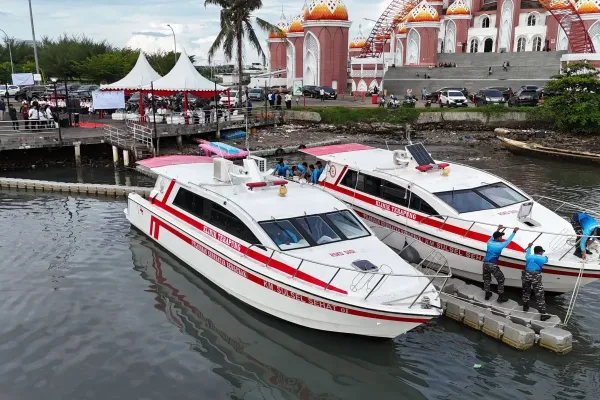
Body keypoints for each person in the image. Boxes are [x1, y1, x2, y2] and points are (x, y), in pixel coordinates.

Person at [483, 225, 519, 302]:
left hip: (485, 264)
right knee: (501, 279)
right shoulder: (501, 245)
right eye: (501, 237)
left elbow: (492, 236)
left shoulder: (489, 242)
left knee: (486, 279)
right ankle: (500, 297)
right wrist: (514, 232)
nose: (502, 238)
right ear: (498, 238)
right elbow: (509, 240)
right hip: (492, 265)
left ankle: (487, 294)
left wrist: (498, 229)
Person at [521, 243, 551, 320]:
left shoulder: (528, 257)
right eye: (542, 251)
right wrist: (546, 257)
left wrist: (529, 247)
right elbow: (546, 260)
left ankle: (525, 307)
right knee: (539, 295)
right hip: (535, 276)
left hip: (526, 274)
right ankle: (543, 314)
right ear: (540, 252)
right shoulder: (542, 258)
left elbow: (528, 253)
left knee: (526, 291)